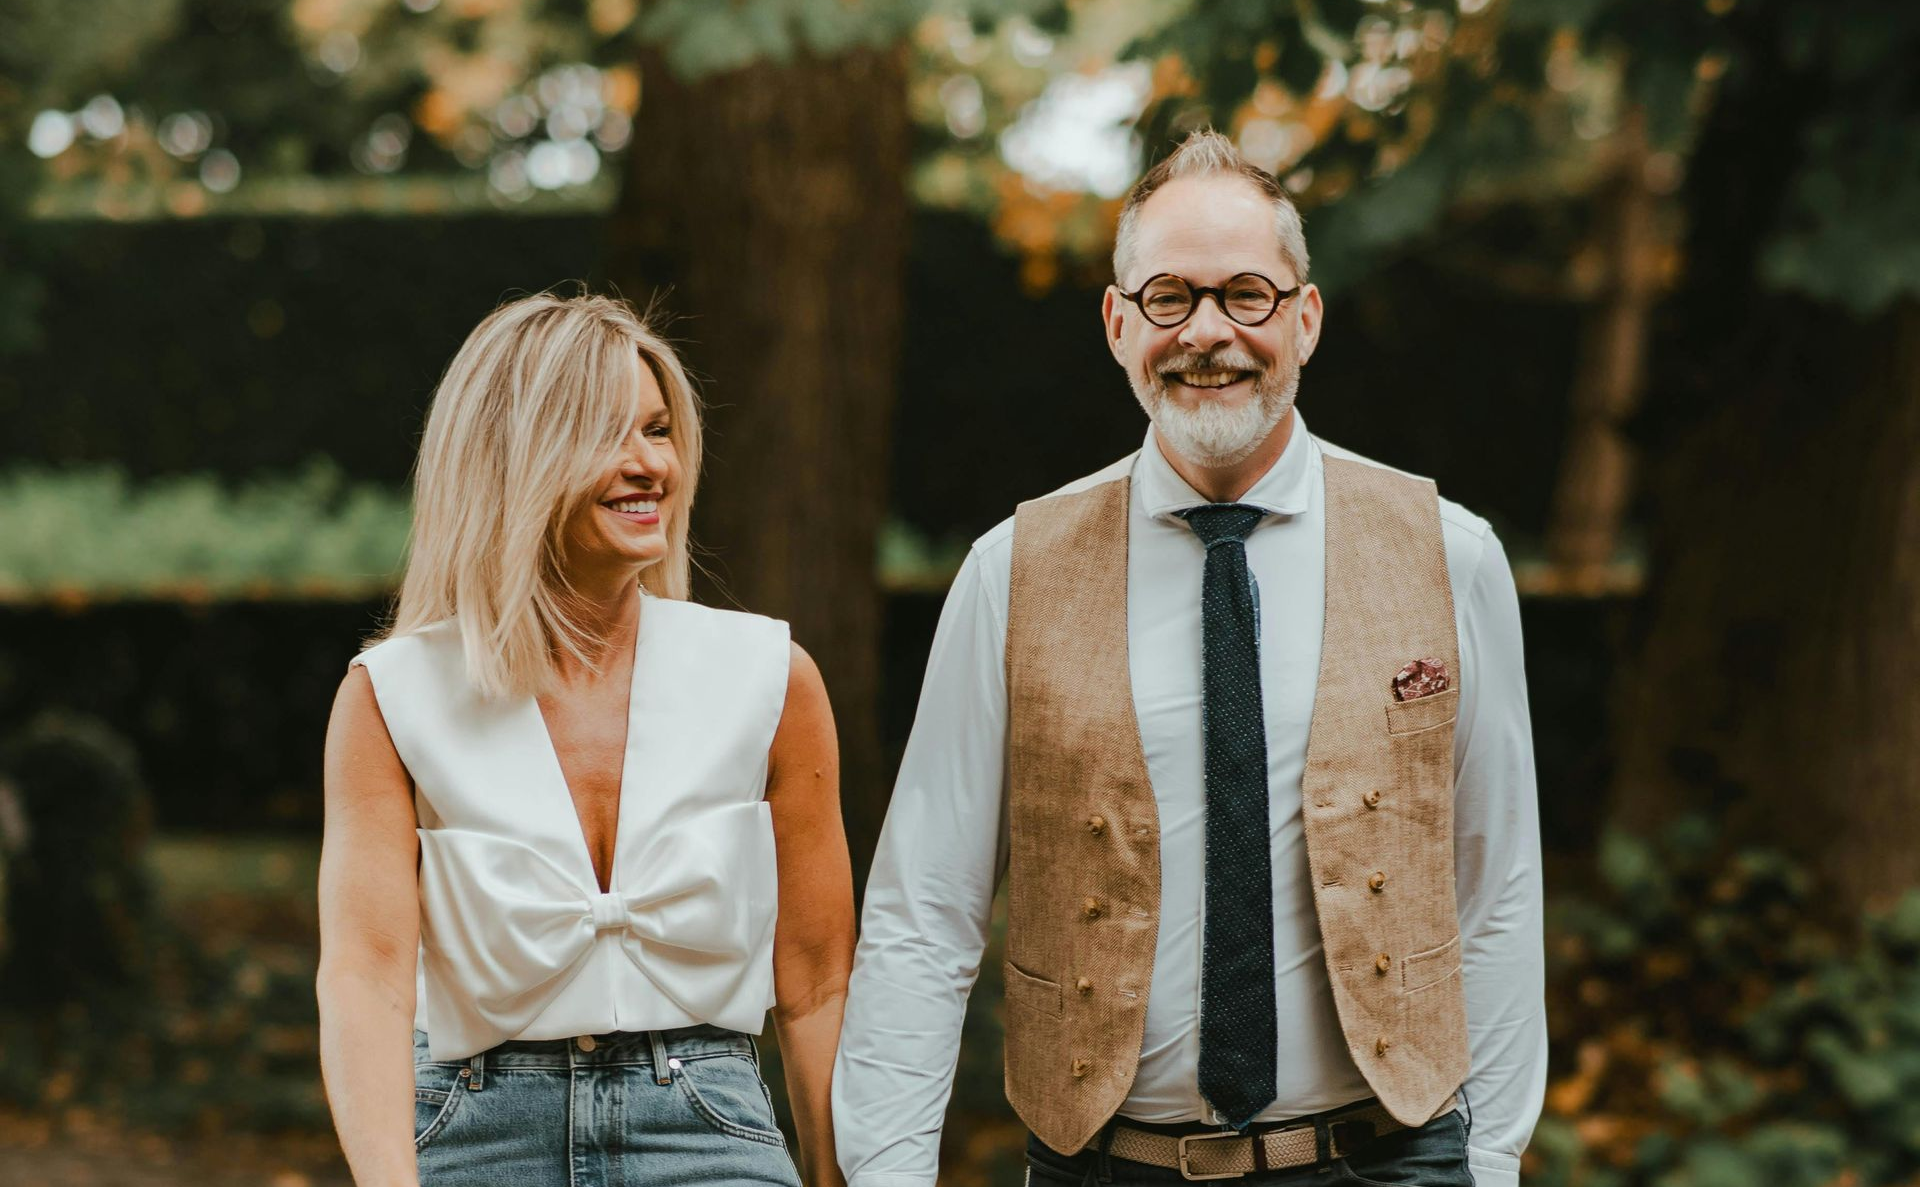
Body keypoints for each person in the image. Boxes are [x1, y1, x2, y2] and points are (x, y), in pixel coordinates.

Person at [833, 130, 1546, 1186]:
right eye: (1170, 296)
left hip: (1388, 1160)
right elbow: (923, 910)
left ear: (1304, 318)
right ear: (1119, 324)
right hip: (1103, 1166)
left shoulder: (1450, 553)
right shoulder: (1008, 573)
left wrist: (1486, 1162)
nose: (1208, 331)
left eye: (1246, 294)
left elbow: (1497, 884)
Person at [317, 292, 854, 1187]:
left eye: (658, 429)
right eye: (608, 434)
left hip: (709, 1122)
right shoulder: (390, 697)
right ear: (512, 459)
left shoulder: (772, 675)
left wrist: (841, 1177)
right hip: (472, 1128)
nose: (652, 464)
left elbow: (816, 981)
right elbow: (364, 981)